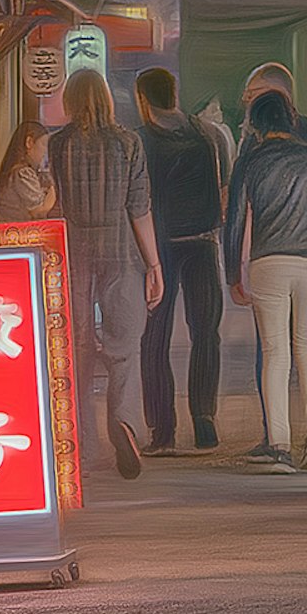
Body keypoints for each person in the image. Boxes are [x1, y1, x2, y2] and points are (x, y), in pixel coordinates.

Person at [225, 79, 307, 476]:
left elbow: (233, 223)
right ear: (291, 118)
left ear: (256, 125)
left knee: (275, 356)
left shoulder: (250, 160)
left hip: (268, 264)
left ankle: (278, 445)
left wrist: (233, 274)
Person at [44, 67, 160, 481]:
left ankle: (81, 447)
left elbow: (49, 203)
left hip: (71, 253)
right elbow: (139, 208)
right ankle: (124, 420)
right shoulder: (129, 143)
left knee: (74, 350)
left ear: (72, 101)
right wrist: (154, 264)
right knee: (125, 345)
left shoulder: (58, 145)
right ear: (108, 99)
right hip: (121, 252)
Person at [133, 62, 228, 453]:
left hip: (160, 249)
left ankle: (163, 432)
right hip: (204, 243)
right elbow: (223, 188)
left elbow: (137, 201)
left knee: (154, 338)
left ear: (143, 100)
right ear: (174, 94)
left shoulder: (140, 140)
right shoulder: (208, 134)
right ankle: (204, 423)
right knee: (206, 333)